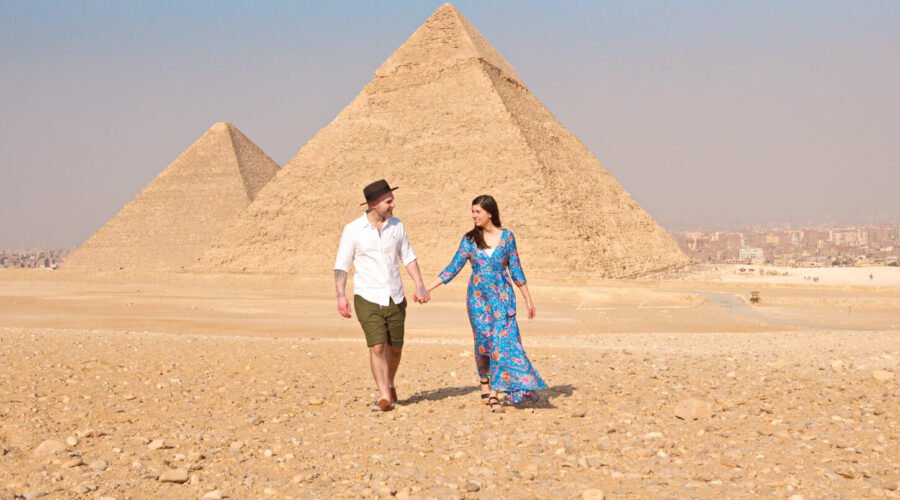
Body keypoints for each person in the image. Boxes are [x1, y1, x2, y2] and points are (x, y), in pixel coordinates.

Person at [426, 195, 546, 412]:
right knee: (483, 342)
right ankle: (484, 381)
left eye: (477, 212)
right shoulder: (469, 240)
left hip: (502, 298)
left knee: (501, 342)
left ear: (490, 212)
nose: (474, 216)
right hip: (478, 300)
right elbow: (453, 267)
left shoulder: (507, 237)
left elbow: (516, 269)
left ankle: (495, 393)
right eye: (472, 212)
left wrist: (528, 299)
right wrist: (428, 288)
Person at [334, 179, 430, 412]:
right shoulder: (353, 230)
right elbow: (342, 265)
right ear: (373, 204)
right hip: (367, 297)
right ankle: (384, 395)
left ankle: (390, 383)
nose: (393, 205)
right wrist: (341, 296)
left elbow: (408, 256)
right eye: (388, 201)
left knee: (395, 348)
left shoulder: (397, 226)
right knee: (377, 346)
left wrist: (419, 284)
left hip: (395, 296)